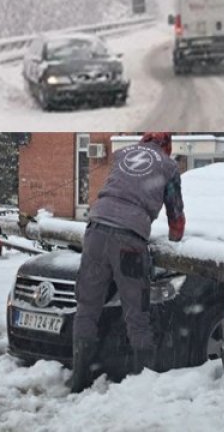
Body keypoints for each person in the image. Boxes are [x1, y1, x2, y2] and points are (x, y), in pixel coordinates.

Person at [70, 132, 185, 393]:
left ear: (144, 142)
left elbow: (119, 188)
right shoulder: (168, 166)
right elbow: (175, 210)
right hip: (130, 238)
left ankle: (78, 378)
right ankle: (140, 385)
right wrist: (175, 238)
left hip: (96, 229)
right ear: (167, 147)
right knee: (137, 312)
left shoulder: (123, 154)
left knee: (87, 306)